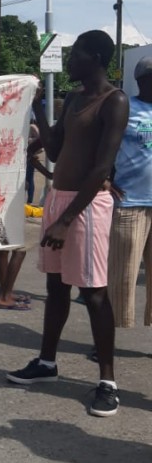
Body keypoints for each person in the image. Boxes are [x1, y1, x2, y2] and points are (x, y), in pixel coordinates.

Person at [7, 30, 129, 418]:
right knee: (56, 286)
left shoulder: (115, 101)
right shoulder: (75, 99)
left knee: (93, 292)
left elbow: (101, 167)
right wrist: (39, 108)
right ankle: (47, 363)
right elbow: (56, 149)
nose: (69, 62)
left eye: (75, 55)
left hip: (86, 205)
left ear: (94, 57)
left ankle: (107, 381)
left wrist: (66, 221)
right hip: (59, 198)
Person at [107, 56, 152, 329]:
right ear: (143, 80)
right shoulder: (126, 108)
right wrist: (104, 179)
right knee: (122, 276)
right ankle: (107, 338)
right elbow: (103, 146)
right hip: (130, 202)